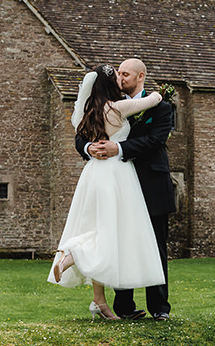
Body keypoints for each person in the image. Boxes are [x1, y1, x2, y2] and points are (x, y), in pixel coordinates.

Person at [48, 64, 165, 320]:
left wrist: (90, 147)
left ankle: (98, 302)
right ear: (112, 85)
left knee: (98, 227)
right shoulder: (118, 107)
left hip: (92, 175)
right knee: (113, 231)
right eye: (118, 76)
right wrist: (159, 94)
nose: (122, 80)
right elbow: (154, 99)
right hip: (116, 175)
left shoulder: (84, 113)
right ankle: (75, 253)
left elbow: (80, 136)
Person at [75, 58, 176, 321]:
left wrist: (117, 148)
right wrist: (89, 148)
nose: (121, 78)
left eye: (126, 74)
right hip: (118, 188)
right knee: (120, 243)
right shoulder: (104, 106)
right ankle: (124, 307)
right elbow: (80, 135)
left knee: (155, 246)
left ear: (140, 76)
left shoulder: (162, 107)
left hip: (151, 184)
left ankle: (159, 308)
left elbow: (155, 140)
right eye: (118, 73)